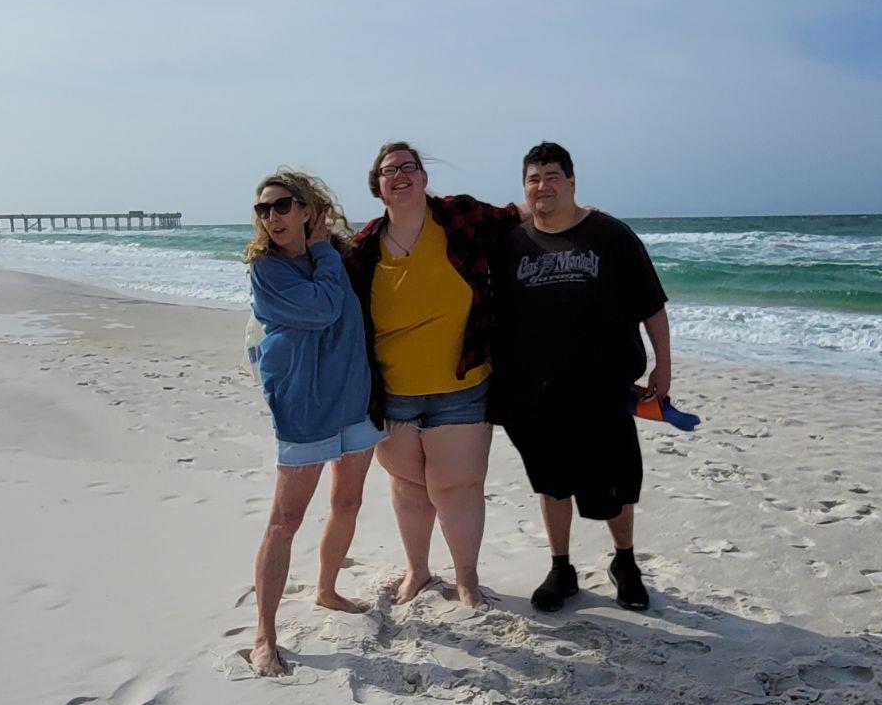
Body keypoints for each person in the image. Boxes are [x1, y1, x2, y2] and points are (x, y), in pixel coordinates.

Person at [491, 141, 671, 613]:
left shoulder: (611, 235)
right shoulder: (512, 243)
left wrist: (663, 365)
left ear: (572, 182)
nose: (543, 186)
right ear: (524, 188)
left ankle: (625, 563)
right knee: (551, 483)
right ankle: (561, 567)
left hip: (602, 391)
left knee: (616, 486)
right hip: (537, 393)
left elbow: (652, 303)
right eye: (533, 178)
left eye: (552, 176)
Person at [348, 142, 522, 608]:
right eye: (389, 170)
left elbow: (515, 217)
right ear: (377, 186)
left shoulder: (459, 218)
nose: (400, 175)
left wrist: (575, 212)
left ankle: (466, 579)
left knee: (457, 486)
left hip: (462, 386)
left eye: (409, 167)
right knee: (407, 487)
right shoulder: (363, 249)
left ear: (424, 178)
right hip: (392, 393)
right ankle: (418, 572)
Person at [245, 169, 385, 675]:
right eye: (264, 209)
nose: (273, 217)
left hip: (352, 397)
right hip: (304, 405)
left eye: (282, 206)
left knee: (347, 501)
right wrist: (324, 250)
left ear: (307, 210)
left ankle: (326, 589)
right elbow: (325, 308)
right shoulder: (266, 268)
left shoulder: (342, 255)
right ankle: (264, 635)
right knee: (286, 520)